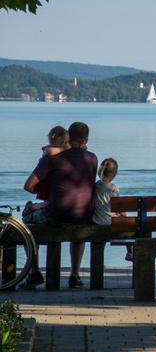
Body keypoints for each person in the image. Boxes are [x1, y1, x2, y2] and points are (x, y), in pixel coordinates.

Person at [22, 121, 99, 289]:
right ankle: (74, 275)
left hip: (56, 215)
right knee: (78, 225)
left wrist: (40, 202)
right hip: (83, 215)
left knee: (26, 222)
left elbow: (28, 186)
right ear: (86, 141)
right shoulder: (92, 158)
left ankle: (34, 273)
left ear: (67, 138)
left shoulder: (52, 158)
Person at [23, 125, 70, 217]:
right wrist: (64, 149)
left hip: (50, 180)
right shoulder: (50, 149)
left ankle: (32, 206)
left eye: (68, 142)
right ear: (52, 142)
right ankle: (32, 206)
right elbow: (49, 151)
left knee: (48, 203)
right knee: (47, 203)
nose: (67, 144)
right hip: (45, 181)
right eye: (64, 142)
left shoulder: (57, 150)